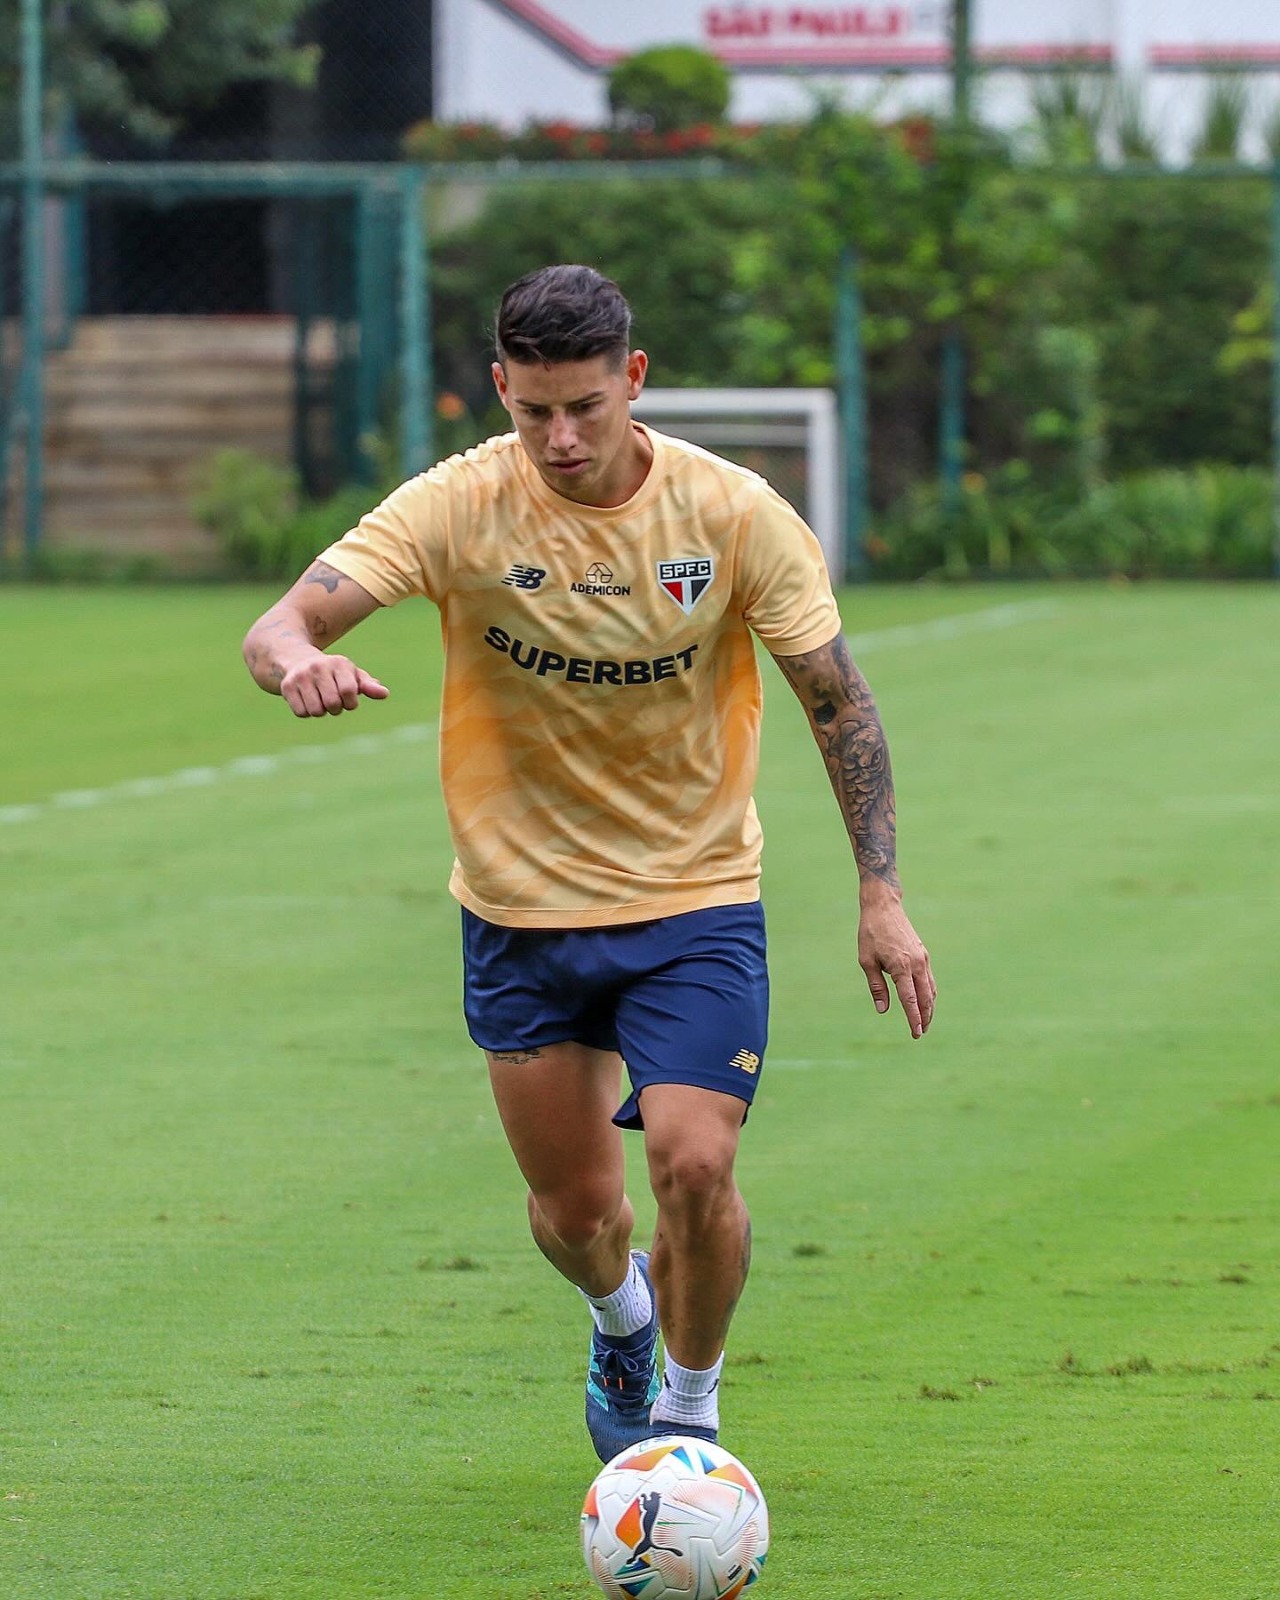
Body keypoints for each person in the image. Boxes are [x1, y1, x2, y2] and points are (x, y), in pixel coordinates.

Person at [242, 263, 935, 1463]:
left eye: (586, 408)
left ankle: (687, 1412)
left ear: (633, 379)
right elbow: (278, 622)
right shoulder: (456, 505)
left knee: (693, 1162)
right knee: (576, 1215)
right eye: (533, 411)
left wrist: (880, 893)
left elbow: (837, 702)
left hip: (694, 899)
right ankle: (619, 1317)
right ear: (500, 387)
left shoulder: (731, 514)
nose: (559, 439)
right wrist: (298, 657)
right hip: (519, 911)